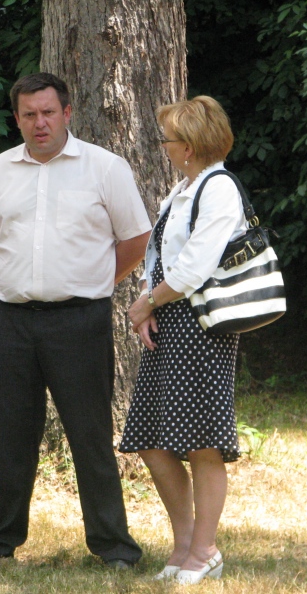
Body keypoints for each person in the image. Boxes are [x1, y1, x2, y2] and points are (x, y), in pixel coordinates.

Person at [0, 72, 150, 570]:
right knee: (12, 435)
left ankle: (114, 546)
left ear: (67, 113)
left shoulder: (104, 168)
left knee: (89, 435)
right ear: (17, 118)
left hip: (79, 320)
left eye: (47, 112)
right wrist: (18, 276)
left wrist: (94, 280)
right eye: (29, 114)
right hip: (11, 321)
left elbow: (135, 240)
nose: (39, 123)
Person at [119, 95, 245, 585]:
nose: (164, 146)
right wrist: (148, 302)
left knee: (202, 444)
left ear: (188, 147)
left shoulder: (219, 189)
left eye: (168, 140)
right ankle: (186, 544)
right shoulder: (183, 189)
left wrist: (148, 302)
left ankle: (206, 550)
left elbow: (195, 266)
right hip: (170, 320)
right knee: (152, 439)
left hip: (202, 327)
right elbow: (159, 255)